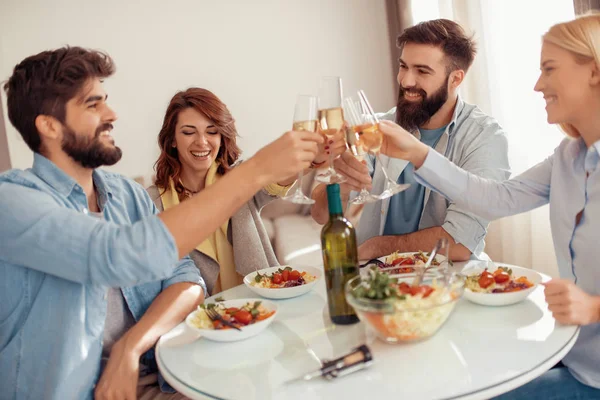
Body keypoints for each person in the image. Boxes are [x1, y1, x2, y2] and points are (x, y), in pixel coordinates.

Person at [0, 47, 322, 400]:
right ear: (48, 125)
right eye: (93, 105)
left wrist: (131, 347)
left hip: (164, 376)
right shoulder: (13, 202)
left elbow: (184, 277)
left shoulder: (127, 196)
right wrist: (255, 169)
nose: (112, 114)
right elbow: (116, 254)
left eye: (105, 100)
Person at [376, 14, 600, 399]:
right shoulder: (567, 158)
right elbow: (496, 198)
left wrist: (595, 308)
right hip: (568, 351)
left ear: (594, 72)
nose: (537, 84)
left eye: (549, 69)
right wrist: (417, 153)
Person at [311, 19, 511, 261]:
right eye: (403, 66)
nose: (406, 81)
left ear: (456, 79)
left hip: (447, 280)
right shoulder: (371, 128)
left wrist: (377, 247)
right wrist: (342, 187)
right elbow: (321, 214)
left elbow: (460, 242)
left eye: (422, 71)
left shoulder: (485, 138)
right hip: (377, 282)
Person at [147, 88, 330, 295]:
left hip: (262, 308)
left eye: (212, 131)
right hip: (202, 319)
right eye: (189, 132)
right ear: (172, 140)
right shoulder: (150, 201)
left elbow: (277, 177)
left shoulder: (240, 178)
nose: (202, 141)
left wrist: (315, 157)